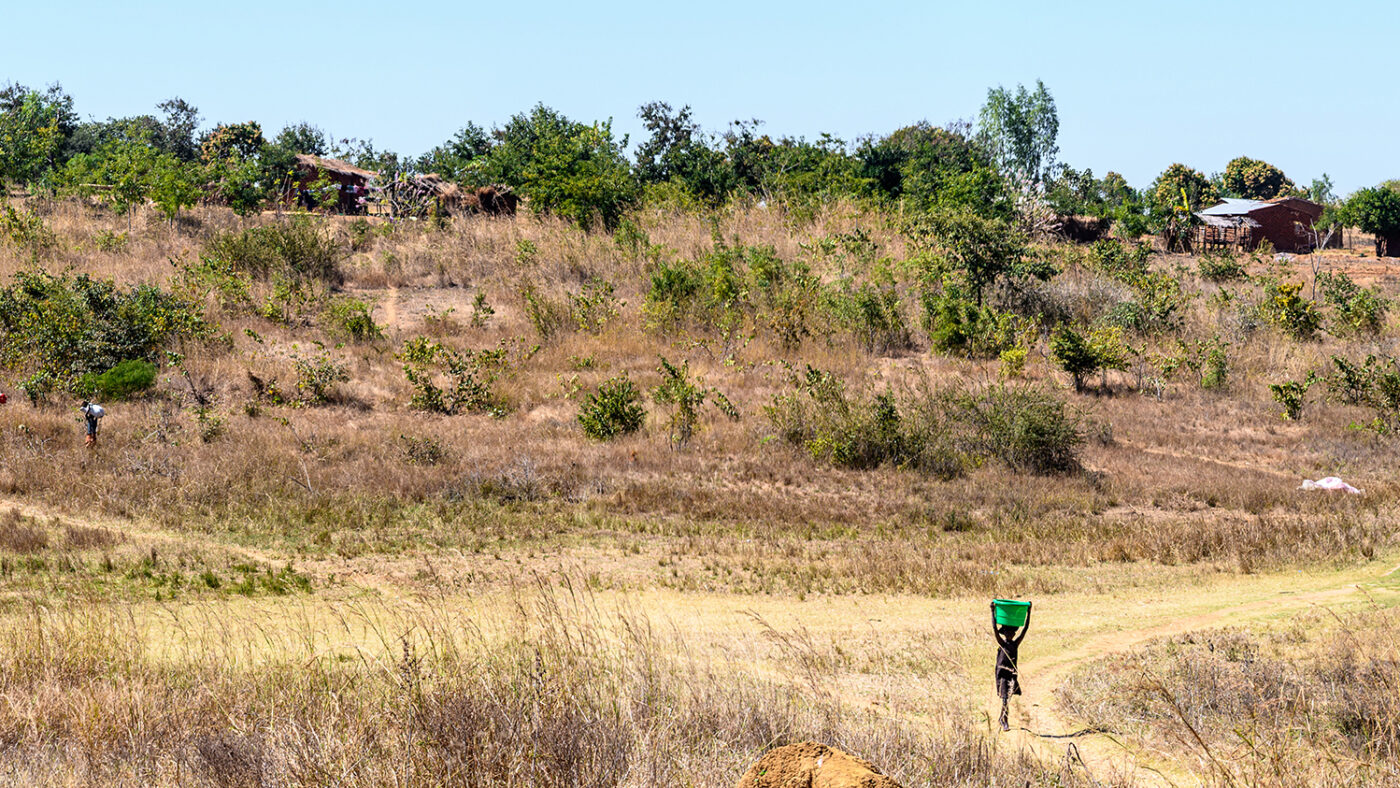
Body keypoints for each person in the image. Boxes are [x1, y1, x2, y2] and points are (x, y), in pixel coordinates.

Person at [992, 600, 1032, 731]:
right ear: (1004, 634)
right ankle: (1005, 721)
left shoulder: (1015, 644)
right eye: (1008, 633)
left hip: (1011, 675)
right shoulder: (1002, 644)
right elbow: (994, 629)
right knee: (1004, 699)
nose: (1011, 634)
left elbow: (1025, 628)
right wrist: (992, 611)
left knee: (1007, 699)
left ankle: (1001, 717)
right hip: (1002, 675)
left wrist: (1029, 612)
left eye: (1012, 633)